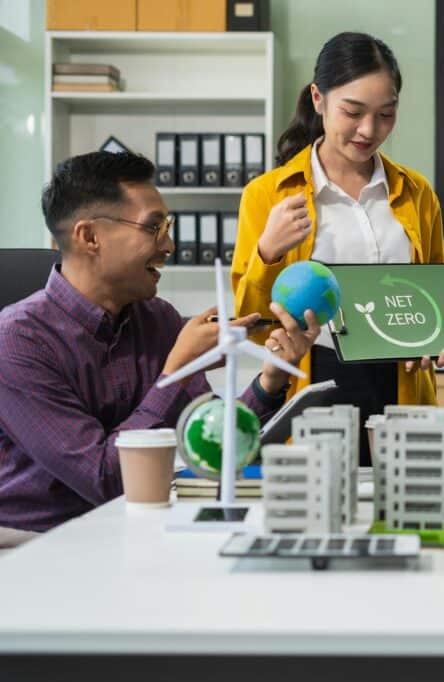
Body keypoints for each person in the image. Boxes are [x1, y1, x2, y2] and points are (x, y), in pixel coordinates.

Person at [0, 151, 320, 541]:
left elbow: (207, 441)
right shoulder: (18, 341)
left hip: (138, 527)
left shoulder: (157, 318)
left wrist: (269, 382)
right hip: (38, 545)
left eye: (167, 226)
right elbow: (103, 481)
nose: (168, 244)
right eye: (153, 227)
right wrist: (176, 372)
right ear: (89, 237)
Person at [232, 32, 444, 466]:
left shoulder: (416, 192)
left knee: (401, 512)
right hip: (317, 382)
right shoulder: (268, 195)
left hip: (401, 384)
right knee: (317, 512)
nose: (369, 130)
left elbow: (433, 297)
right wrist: (269, 252)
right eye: (353, 112)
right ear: (318, 98)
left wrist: (438, 334)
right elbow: (250, 327)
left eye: (386, 114)